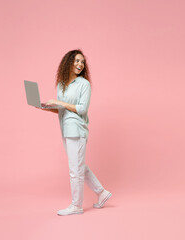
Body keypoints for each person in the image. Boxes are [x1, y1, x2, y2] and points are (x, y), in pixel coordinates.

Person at [36, 49, 112, 216]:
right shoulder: (61, 85)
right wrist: (47, 108)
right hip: (65, 128)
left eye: (82, 62)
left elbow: (82, 109)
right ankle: (102, 193)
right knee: (79, 166)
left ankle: (76, 205)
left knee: (75, 169)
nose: (80, 64)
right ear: (68, 62)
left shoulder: (84, 84)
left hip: (77, 129)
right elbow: (62, 110)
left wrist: (58, 102)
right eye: (77, 61)